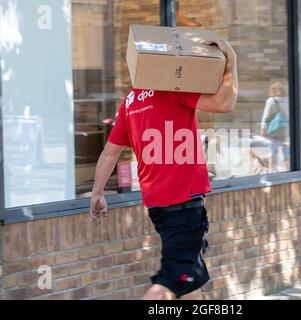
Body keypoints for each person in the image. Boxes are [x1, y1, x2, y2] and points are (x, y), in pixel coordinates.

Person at [89, 38, 238, 300]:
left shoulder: (130, 101)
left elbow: (109, 153)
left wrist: (97, 194)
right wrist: (232, 61)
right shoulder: (172, 89)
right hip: (182, 204)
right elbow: (225, 103)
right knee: (171, 282)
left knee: (189, 282)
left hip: (159, 206)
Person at [260, 81, 290, 171]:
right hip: (286, 129)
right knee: (286, 151)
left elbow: (266, 116)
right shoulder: (288, 100)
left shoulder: (271, 101)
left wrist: (263, 128)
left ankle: (273, 171)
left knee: (273, 150)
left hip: (273, 129)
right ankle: (289, 169)